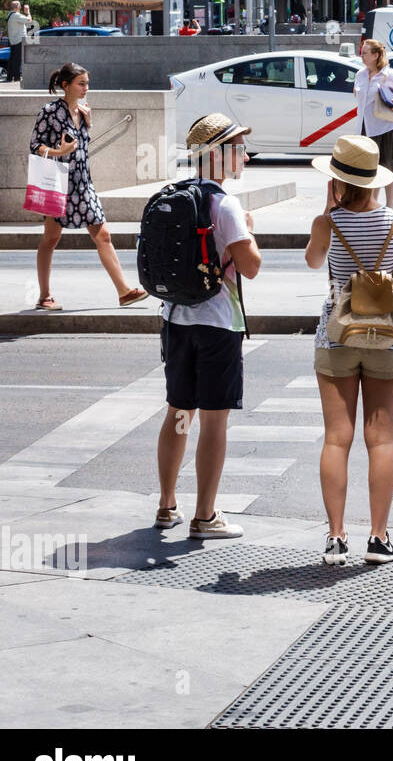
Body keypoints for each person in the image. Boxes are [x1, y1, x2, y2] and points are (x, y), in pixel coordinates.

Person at [305, 135, 393, 566]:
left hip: (336, 338)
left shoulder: (327, 223)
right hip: (385, 338)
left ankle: (336, 537)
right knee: (381, 439)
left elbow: (313, 261)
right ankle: (378, 537)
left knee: (336, 439)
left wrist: (329, 211)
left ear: (337, 181)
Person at [155, 113, 263, 539]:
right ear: (217, 154)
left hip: (176, 320)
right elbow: (251, 267)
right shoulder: (225, 204)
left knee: (179, 413)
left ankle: (167, 505)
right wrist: (249, 232)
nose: (245, 157)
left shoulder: (172, 197)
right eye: (239, 149)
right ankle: (205, 516)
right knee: (214, 422)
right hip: (218, 324)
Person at [29, 63, 148, 310]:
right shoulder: (50, 111)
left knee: (103, 235)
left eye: (87, 83)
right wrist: (59, 152)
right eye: (81, 83)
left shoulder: (83, 111)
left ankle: (124, 291)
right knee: (51, 238)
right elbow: (35, 145)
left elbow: (82, 145)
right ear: (66, 85)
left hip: (83, 184)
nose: (86, 88)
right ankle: (44, 296)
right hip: (59, 184)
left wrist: (89, 124)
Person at [354, 38, 393, 208]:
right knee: (370, 171)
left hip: (386, 128)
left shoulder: (389, 75)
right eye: (361, 52)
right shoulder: (360, 74)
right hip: (365, 128)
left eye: (365, 53)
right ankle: (372, 206)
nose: (361, 56)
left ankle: (390, 208)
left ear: (375, 55)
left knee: (389, 170)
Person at [5, 1, 36, 83]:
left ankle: (9, 77)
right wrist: (28, 12)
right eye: (19, 5)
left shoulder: (10, 14)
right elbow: (29, 20)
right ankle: (17, 77)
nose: (21, 7)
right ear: (17, 7)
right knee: (17, 60)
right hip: (19, 40)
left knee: (12, 59)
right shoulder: (16, 15)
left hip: (13, 40)